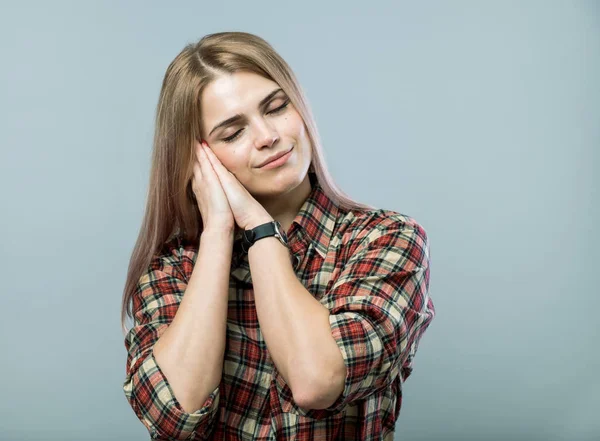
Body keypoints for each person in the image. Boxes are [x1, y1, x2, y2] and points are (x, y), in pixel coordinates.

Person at [120, 31, 435, 440]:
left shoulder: (386, 240)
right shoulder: (173, 267)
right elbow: (173, 414)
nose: (267, 136)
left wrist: (259, 229)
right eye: (233, 133)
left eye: (276, 107)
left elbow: (317, 380)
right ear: (199, 159)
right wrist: (217, 230)